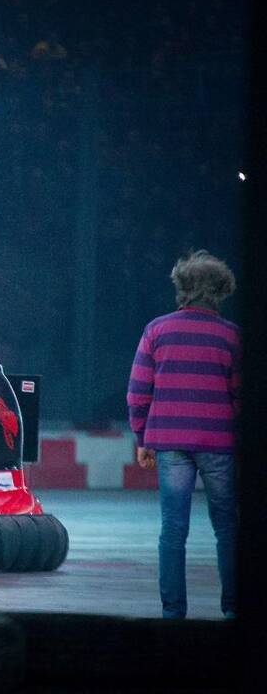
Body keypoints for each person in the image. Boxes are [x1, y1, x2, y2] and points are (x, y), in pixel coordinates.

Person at [127, 249, 240, 619]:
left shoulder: (156, 330)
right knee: (227, 528)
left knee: (173, 530)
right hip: (220, 443)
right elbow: (242, 396)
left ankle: (173, 614)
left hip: (170, 443)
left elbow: (138, 391)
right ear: (220, 291)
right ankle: (233, 609)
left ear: (183, 288)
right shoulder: (232, 337)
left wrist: (142, 437)